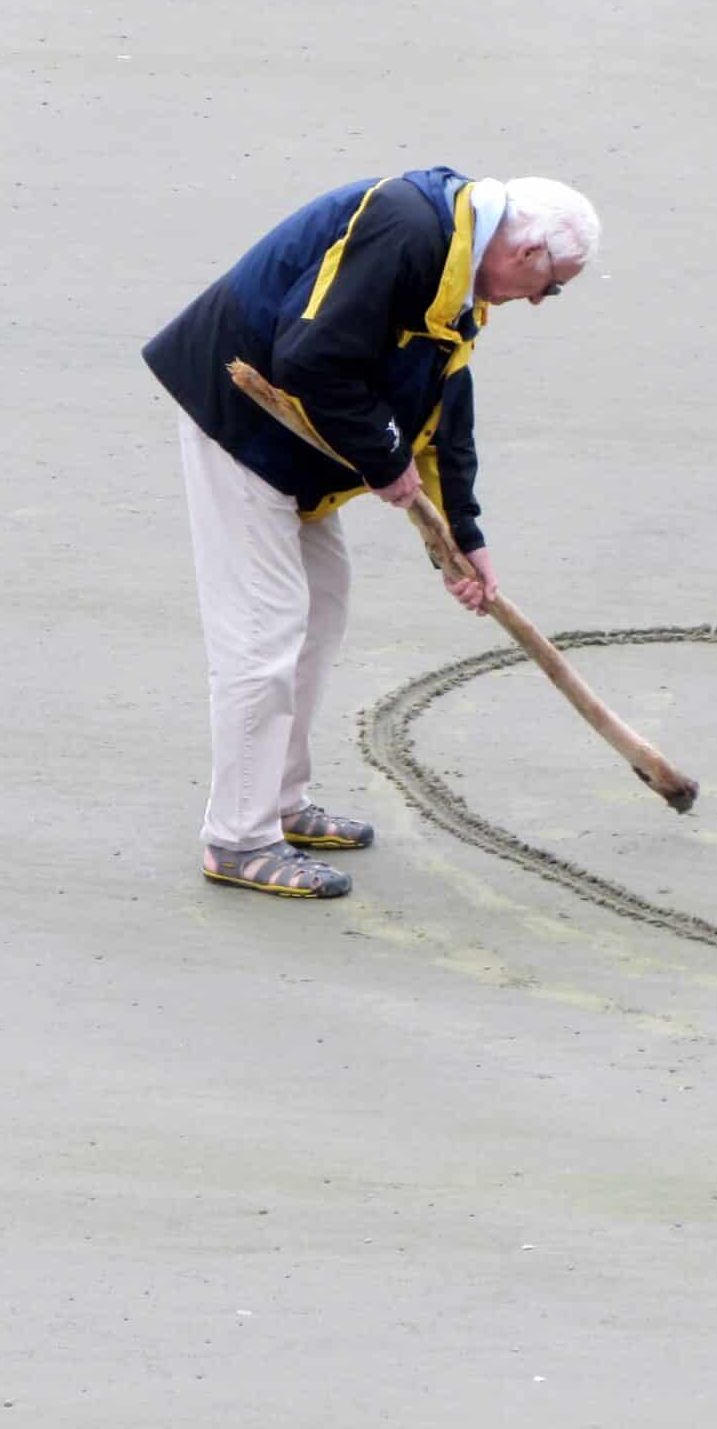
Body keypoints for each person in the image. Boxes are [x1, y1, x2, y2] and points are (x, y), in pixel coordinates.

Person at [143, 168, 598, 898]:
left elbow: (443, 403)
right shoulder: (409, 230)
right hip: (239, 421)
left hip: (298, 444)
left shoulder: (460, 274)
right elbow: (306, 356)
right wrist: (385, 464)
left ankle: (280, 804)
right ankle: (238, 837)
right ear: (528, 251)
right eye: (552, 286)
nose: (541, 302)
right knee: (264, 633)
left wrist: (461, 539)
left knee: (322, 608)